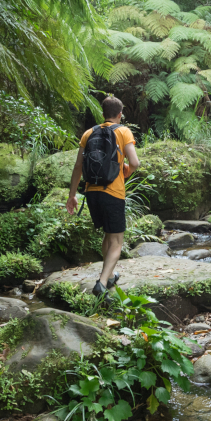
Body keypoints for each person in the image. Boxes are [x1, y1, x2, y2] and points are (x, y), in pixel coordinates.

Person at [66, 95, 140, 297]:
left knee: (108, 234)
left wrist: (72, 196)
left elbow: (78, 167)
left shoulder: (88, 133)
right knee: (117, 240)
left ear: (103, 114)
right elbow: (134, 162)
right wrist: (124, 172)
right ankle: (101, 283)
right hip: (113, 192)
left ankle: (110, 273)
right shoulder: (123, 131)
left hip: (92, 193)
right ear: (120, 114)